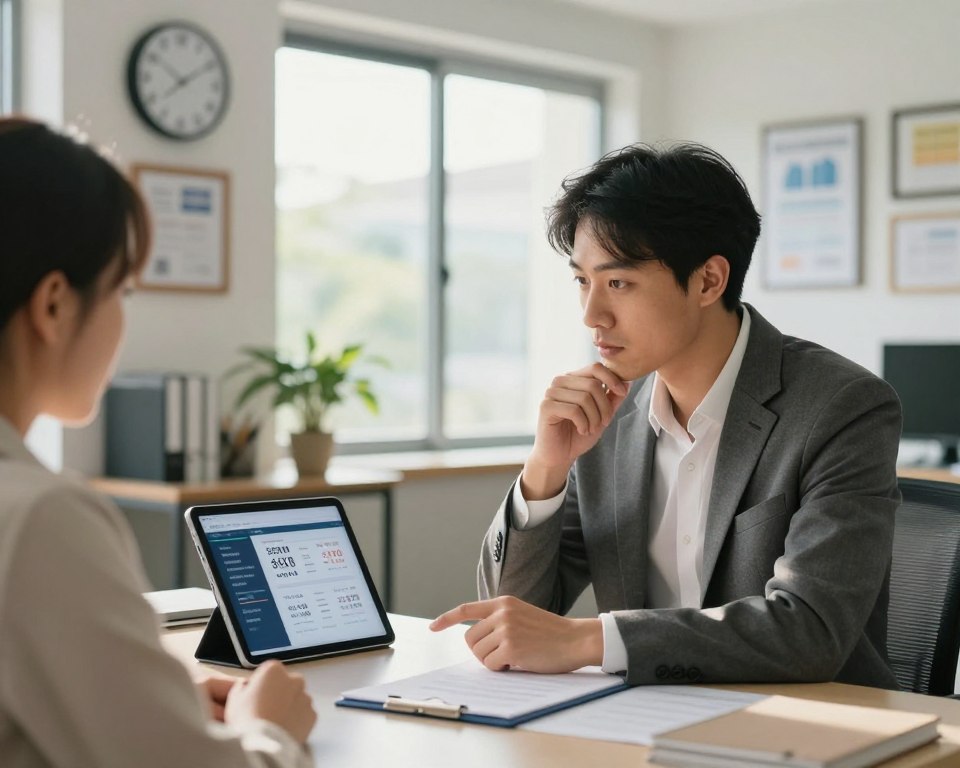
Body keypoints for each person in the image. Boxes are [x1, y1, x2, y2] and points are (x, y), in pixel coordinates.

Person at [431, 143, 902, 689]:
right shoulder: (607, 412)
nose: (591, 315)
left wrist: (591, 640)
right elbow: (512, 612)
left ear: (708, 281)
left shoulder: (841, 406)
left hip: (814, 723)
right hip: (644, 717)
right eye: (582, 281)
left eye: (619, 283)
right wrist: (546, 469)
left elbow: (811, 630)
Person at [0, 117, 316, 767]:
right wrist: (269, 729)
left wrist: (144, 703)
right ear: (54, 305)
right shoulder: (40, 517)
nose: (123, 319)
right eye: (123, 289)